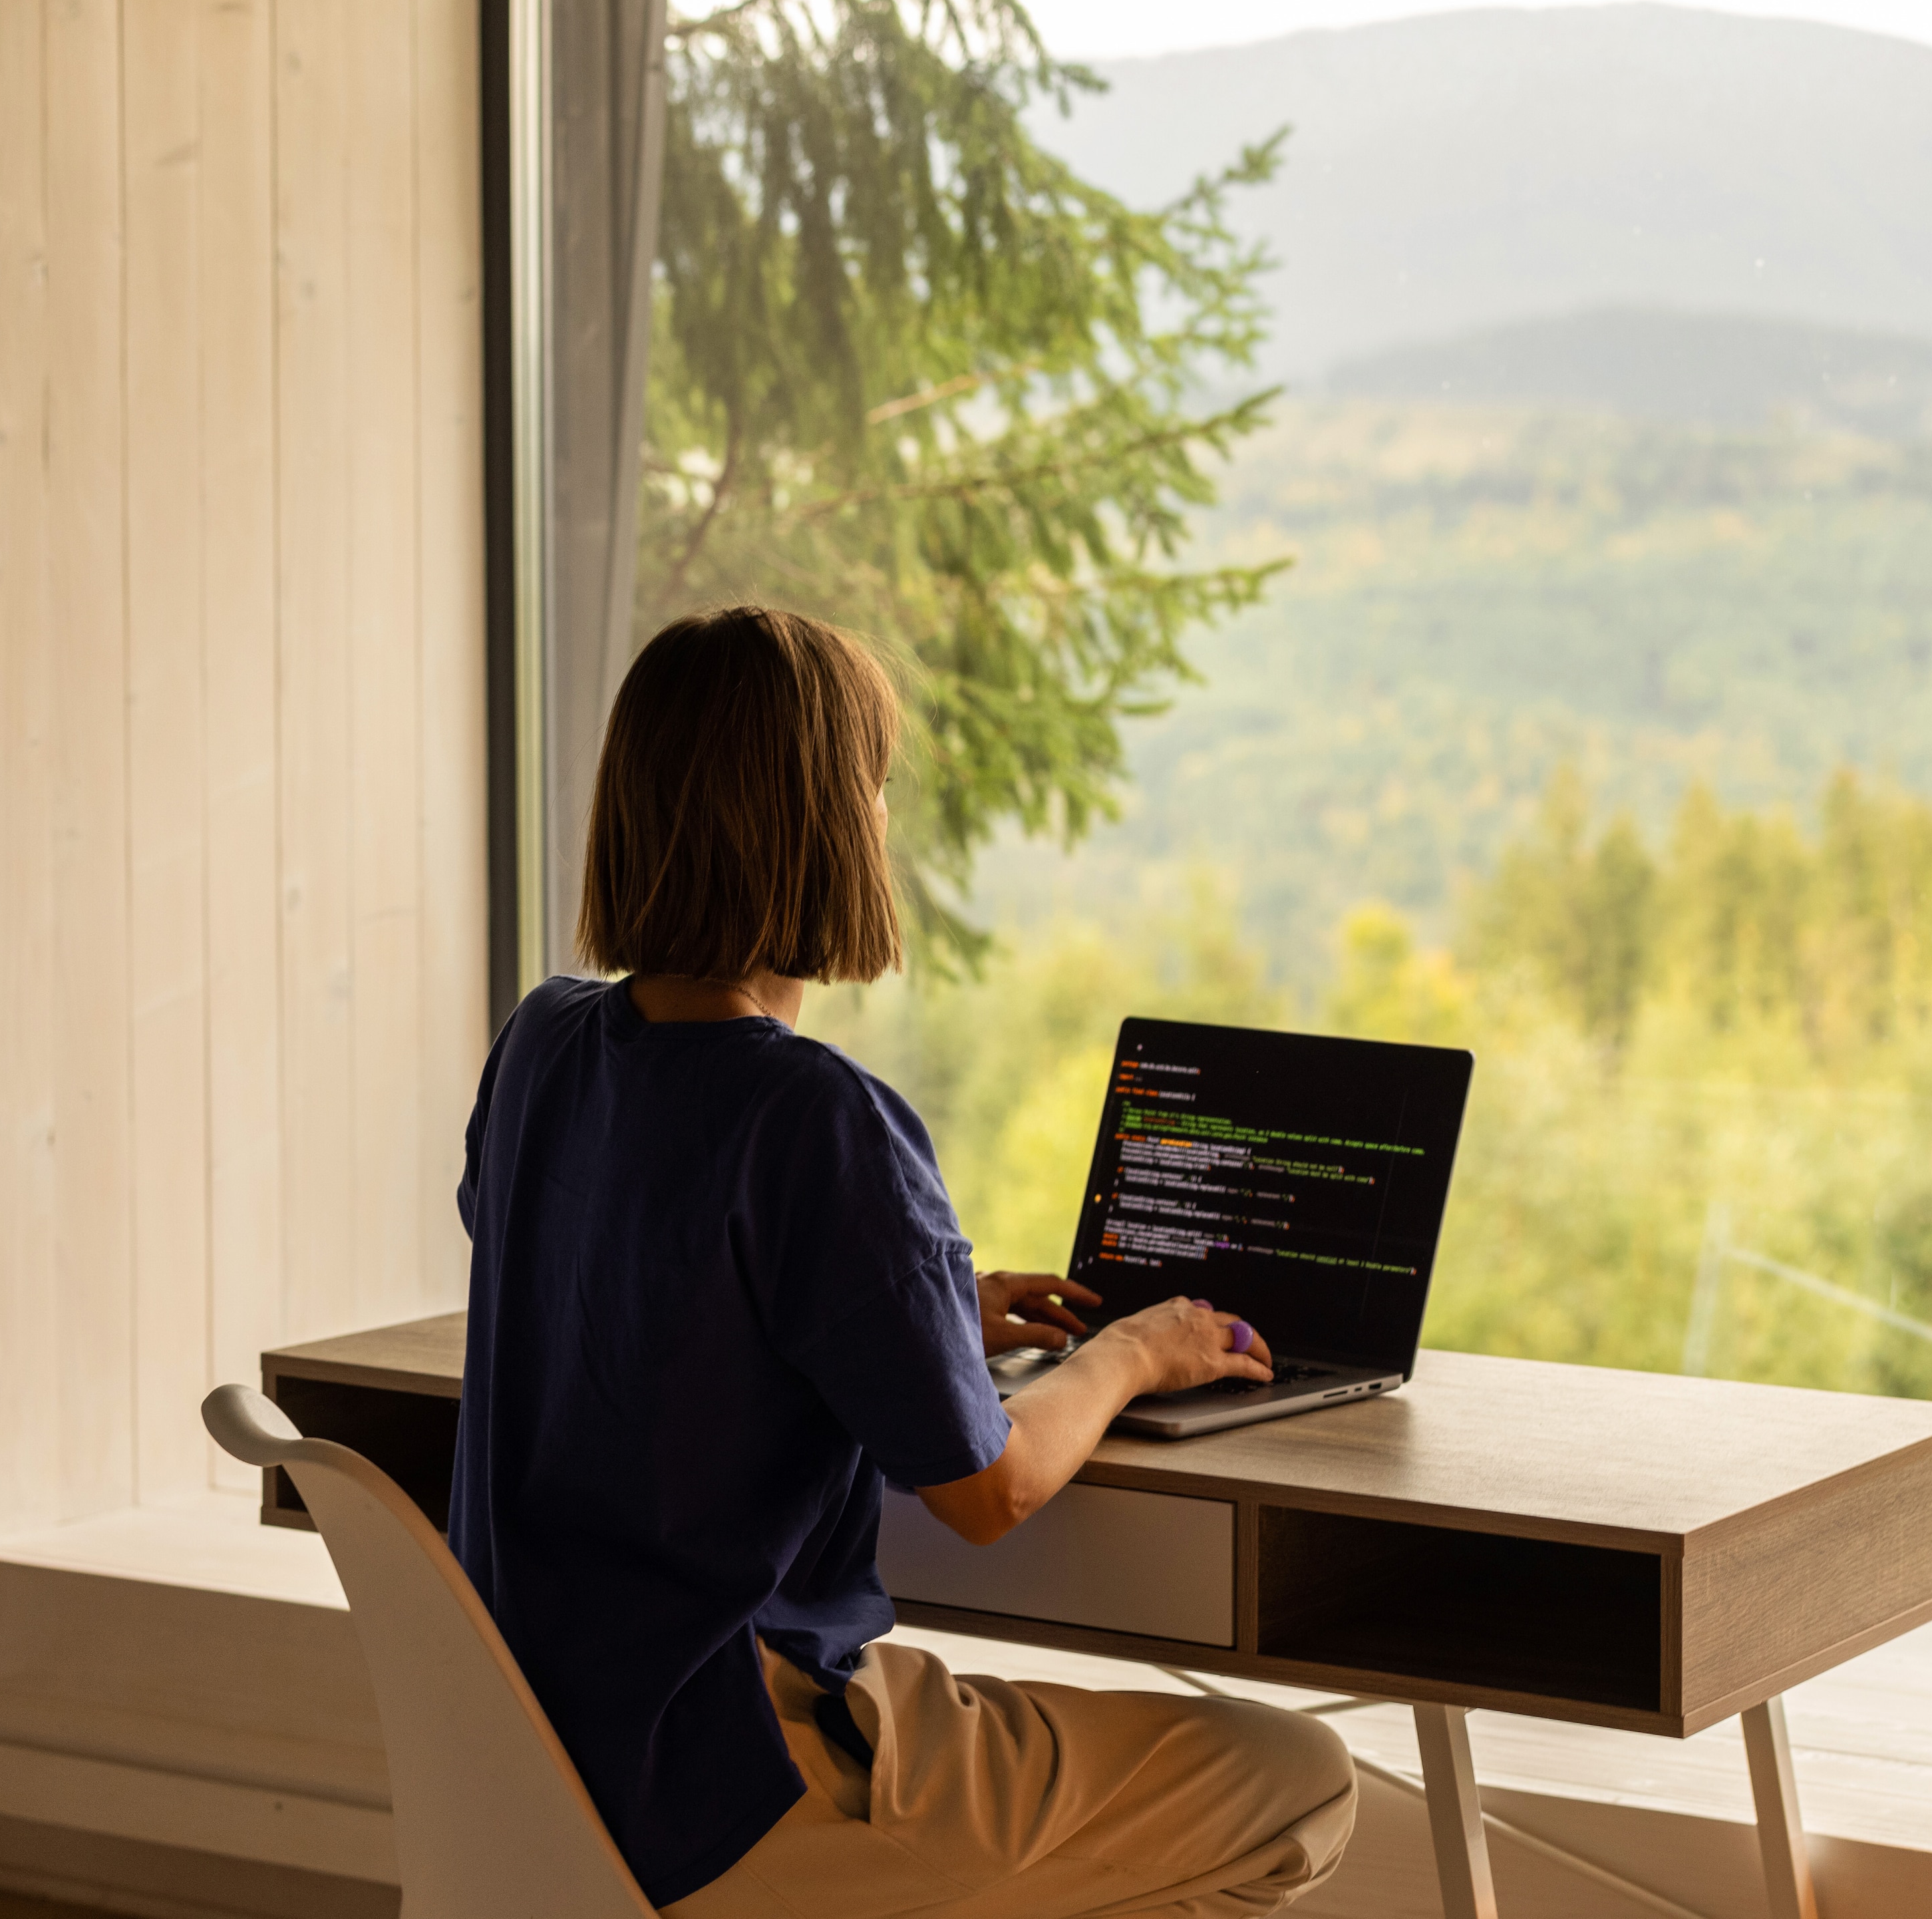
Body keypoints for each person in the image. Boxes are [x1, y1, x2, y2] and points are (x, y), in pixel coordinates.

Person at [449, 606, 1358, 1919]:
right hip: (737, 1778)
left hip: (542, 1766)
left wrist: (912, 1319)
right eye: (875, 788)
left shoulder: (542, 1044)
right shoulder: (815, 1117)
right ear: (821, 823)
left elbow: (602, 1259)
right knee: (1302, 1780)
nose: (884, 818)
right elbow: (990, 1489)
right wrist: (1130, 1353)